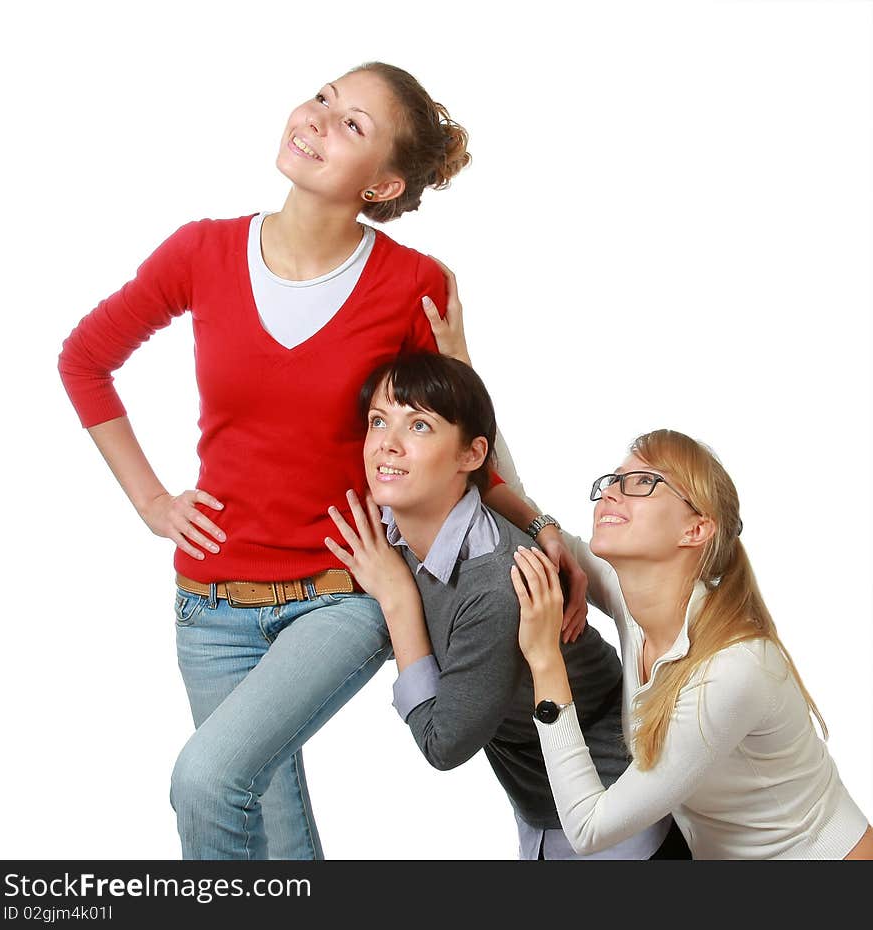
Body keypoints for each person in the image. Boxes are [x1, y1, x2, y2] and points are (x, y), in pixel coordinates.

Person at [57, 62, 585, 860]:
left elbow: (461, 443)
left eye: (352, 126)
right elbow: (84, 360)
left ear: (381, 185)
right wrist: (153, 503)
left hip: (341, 593)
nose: (317, 118)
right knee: (265, 816)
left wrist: (539, 522)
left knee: (206, 780)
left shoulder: (414, 283)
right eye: (323, 98)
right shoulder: (200, 251)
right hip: (210, 605)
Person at [324, 352, 688, 859]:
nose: (387, 442)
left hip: (610, 821)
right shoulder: (399, 525)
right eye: (378, 421)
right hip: (542, 814)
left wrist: (398, 600)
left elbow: (443, 744)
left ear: (471, 456)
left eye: (420, 425)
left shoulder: (496, 585)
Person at [507, 430, 873, 859]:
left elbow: (589, 829)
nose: (610, 491)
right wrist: (459, 372)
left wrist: (545, 660)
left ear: (696, 528)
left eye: (642, 482)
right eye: (613, 478)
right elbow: (511, 493)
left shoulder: (732, 669)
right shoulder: (638, 606)